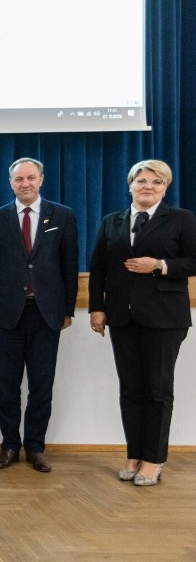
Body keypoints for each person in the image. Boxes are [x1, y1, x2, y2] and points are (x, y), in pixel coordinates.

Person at [89, 159, 196, 486]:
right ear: (130, 184)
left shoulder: (181, 219)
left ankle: (154, 458)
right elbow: (98, 268)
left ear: (165, 187)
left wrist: (160, 265)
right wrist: (97, 308)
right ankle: (134, 453)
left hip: (164, 318)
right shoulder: (112, 221)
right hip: (122, 317)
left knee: (157, 390)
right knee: (131, 389)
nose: (148, 186)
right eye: (142, 180)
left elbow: (194, 261)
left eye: (156, 182)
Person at [0, 157, 78, 473]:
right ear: (11, 183)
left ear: (41, 179)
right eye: (19, 179)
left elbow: (70, 267)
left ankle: (35, 447)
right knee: (7, 386)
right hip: (6, 315)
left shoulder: (62, 215)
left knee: (41, 386)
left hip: (47, 315)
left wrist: (67, 309)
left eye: (31, 178)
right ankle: (9, 445)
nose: (25, 183)